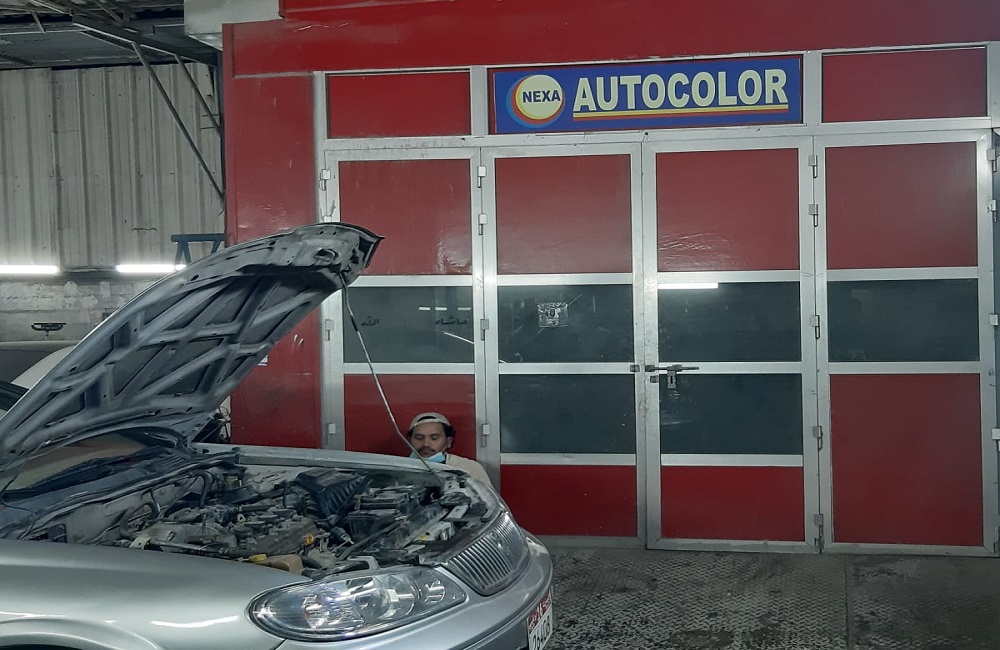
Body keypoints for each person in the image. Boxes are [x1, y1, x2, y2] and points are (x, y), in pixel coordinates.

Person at [406, 412, 493, 488]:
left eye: (434, 438)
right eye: (419, 438)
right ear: (410, 441)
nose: (426, 444)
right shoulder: (400, 468)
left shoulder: (470, 469)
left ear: (448, 442)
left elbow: (486, 500)